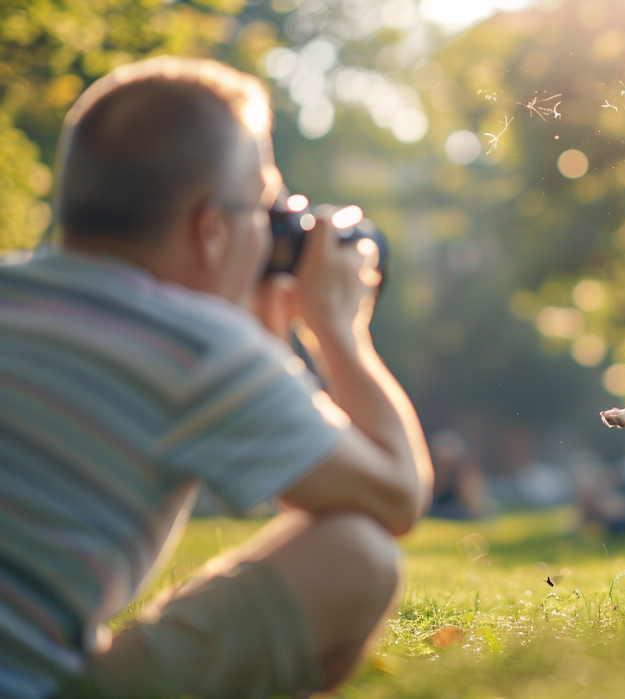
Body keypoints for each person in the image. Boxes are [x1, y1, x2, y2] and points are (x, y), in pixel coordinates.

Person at [0, 57, 434, 698]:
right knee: (359, 556)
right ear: (210, 228)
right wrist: (339, 332)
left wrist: (263, 341)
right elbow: (394, 497)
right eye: (263, 207)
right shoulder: (195, 348)